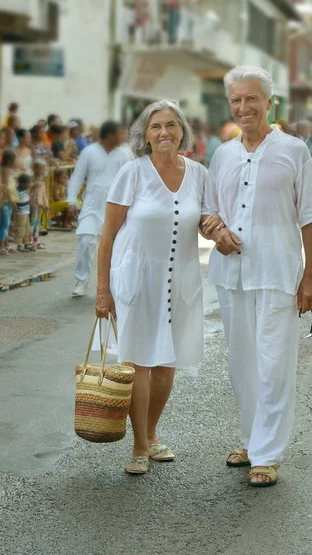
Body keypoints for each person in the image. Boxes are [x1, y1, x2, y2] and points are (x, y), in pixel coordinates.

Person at [202, 65, 312, 488]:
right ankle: (251, 439)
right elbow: (208, 211)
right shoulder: (223, 154)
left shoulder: (294, 150)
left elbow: (310, 217)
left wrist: (310, 278)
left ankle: (268, 454)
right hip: (231, 274)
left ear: (269, 102)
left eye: (251, 98)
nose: (243, 107)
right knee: (242, 363)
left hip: (277, 272)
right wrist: (215, 231)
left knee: (274, 364)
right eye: (236, 100)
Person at [95, 100, 221, 475]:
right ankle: (137, 444)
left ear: (182, 131)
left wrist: (225, 232)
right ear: (145, 136)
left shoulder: (199, 173)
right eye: (156, 127)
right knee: (137, 362)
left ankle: (151, 435)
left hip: (181, 277)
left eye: (171, 125)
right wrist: (103, 291)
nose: (164, 132)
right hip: (136, 276)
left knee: (167, 363)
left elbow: (207, 220)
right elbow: (107, 237)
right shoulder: (133, 173)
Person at [68, 121, 131, 297]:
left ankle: (111, 284)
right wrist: (71, 201)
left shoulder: (124, 153)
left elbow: (131, 180)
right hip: (91, 207)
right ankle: (81, 280)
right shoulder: (89, 152)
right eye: (120, 133)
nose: (124, 136)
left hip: (117, 208)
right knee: (86, 241)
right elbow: (77, 177)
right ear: (110, 134)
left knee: (116, 247)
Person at [0, 150, 18, 255]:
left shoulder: (9, 170)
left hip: (9, 200)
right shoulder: (5, 170)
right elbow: (5, 187)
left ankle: (6, 245)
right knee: (5, 223)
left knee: (7, 223)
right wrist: (11, 200)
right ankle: (2, 246)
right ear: (10, 161)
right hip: (6, 200)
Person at [30, 161, 48, 249]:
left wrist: (46, 202)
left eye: (43, 168)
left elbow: (43, 191)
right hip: (33, 203)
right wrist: (33, 185)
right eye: (40, 168)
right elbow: (28, 189)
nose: (41, 170)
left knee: (38, 222)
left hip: (40, 204)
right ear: (34, 169)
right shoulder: (31, 178)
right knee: (32, 222)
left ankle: (36, 240)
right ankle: (30, 241)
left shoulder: (42, 179)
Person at [15, 173, 33, 252]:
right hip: (21, 213)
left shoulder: (26, 190)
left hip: (26, 212)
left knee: (27, 229)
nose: (29, 184)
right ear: (23, 183)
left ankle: (26, 243)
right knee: (21, 229)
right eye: (28, 182)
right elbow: (17, 202)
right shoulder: (19, 192)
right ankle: (19, 245)